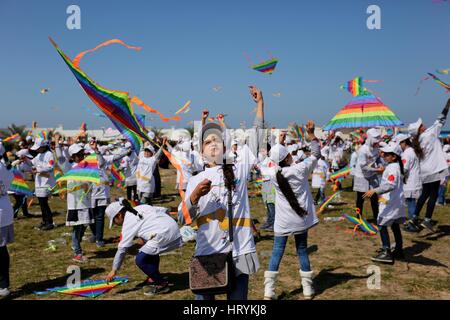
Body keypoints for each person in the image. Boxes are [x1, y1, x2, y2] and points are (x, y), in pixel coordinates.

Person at [177, 86, 263, 300]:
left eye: (216, 140)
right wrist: (195, 195)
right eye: (207, 141)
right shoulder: (196, 179)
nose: (213, 144)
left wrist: (260, 104)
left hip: (240, 252)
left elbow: (257, 138)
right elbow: (182, 218)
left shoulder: (239, 168)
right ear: (202, 152)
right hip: (208, 254)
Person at [262, 122, 320, 300]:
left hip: (283, 221)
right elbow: (316, 153)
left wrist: (279, 145)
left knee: (277, 252)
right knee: (302, 250)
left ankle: (269, 291)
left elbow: (267, 162)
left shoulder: (273, 173)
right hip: (300, 219)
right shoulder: (300, 169)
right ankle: (308, 290)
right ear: (288, 157)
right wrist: (310, 134)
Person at [105, 199, 182, 296]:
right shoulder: (141, 207)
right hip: (173, 230)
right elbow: (164, 210)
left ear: (119, 215)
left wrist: (114, 270)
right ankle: (153, 277)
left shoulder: (128, 222)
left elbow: (122, 250)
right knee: (149, 250)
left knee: (140, 259)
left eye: (114, 221)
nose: (115, 224)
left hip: (164, 235)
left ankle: (162, 284)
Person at [407, 98, 450, 232]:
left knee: (424, 194)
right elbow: (440, 120)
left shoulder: (417, 140)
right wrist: (447, 105)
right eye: (421, 125)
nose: (423, 124)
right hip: (434, 169)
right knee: (433, 195)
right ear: (420, 130)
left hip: (424, 170)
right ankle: (427, 219)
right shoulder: (429, 134)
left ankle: (414, 217)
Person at [363, 142, 406, 264]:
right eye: (384, 154)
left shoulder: (392, 168)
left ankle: (386, 251)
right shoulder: (395, 166)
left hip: (390, 201)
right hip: (396, 200)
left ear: (394, 156)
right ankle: (398, 250)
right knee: (394, 225)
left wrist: (375, 190)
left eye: (387, 154)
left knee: (381, 224)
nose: (384, 156)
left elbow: (390, 184)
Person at [55, 142, 94, 263]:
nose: (81, 156)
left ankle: (76, 245)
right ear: (72, 157)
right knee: (77, 228)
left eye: (82, 153)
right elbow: (60, 158)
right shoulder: (69, 167)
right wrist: (57, 145)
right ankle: (77, 252)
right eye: (78, 154)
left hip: (86, 202)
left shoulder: (87, 166)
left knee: (84, 225)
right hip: (75, 204)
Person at [353, 128, 384, 221]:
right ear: (370, 139)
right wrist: (377, 170)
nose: (376, 143)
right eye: (375, 141)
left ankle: (376, 217)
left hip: (372, 174)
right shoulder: (363, 150)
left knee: (374, 196)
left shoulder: (376, 148)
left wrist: (380, 164)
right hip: (361, 175)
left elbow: (377, 158)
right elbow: (363, 166)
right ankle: (358, 218)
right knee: (361, 197)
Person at [395, 134, 422, 232]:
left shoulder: (406, 153)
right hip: (414, 181)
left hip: (410, 182)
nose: (399, 146)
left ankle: (412, 225)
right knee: (412, 203)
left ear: (403, 142)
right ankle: (414, 223)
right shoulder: (413, 150)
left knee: (411, 204)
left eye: (399, 144)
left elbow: (404, 169)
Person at [30, 138, 55, 230]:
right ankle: (45, 221)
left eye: (38, 147)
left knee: (44, 203)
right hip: (39, 183)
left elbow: (51, 167)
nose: (37, 149)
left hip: (46, 182)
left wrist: (38, 170)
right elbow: (32, 163)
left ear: (44, 146)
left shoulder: (49, 155)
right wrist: (24, 160)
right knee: (41, 203)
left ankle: (50, 222)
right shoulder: (38, 155)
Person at [0, 144, 14, 297]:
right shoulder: (4, 166)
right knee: (1, 249)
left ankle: (3, 284)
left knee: (1, 250)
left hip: (1, 212)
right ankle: (3, 284)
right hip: (4, 209)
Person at [136, 139, 167, 205]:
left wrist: (163, 145)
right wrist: (142, 141)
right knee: (146, 203)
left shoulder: (153, 159)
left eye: (148, 151)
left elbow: (159, 153)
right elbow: (141, 148)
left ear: (152, 153)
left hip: (148, 186)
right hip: (139, 185)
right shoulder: (141, 156)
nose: (146, 152)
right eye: (146, 151)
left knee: (143, 204)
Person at [10, 149, 34, 218]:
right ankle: (13, 215)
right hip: (16, 185)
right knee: (20, 200)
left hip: (20, 184)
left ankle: (25, 213)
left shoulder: (23, 163)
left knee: (23, 199)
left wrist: (25, 160)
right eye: (26, 157)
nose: (27, 158)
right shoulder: (16, 163)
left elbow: (30, 166)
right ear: (22, 156)